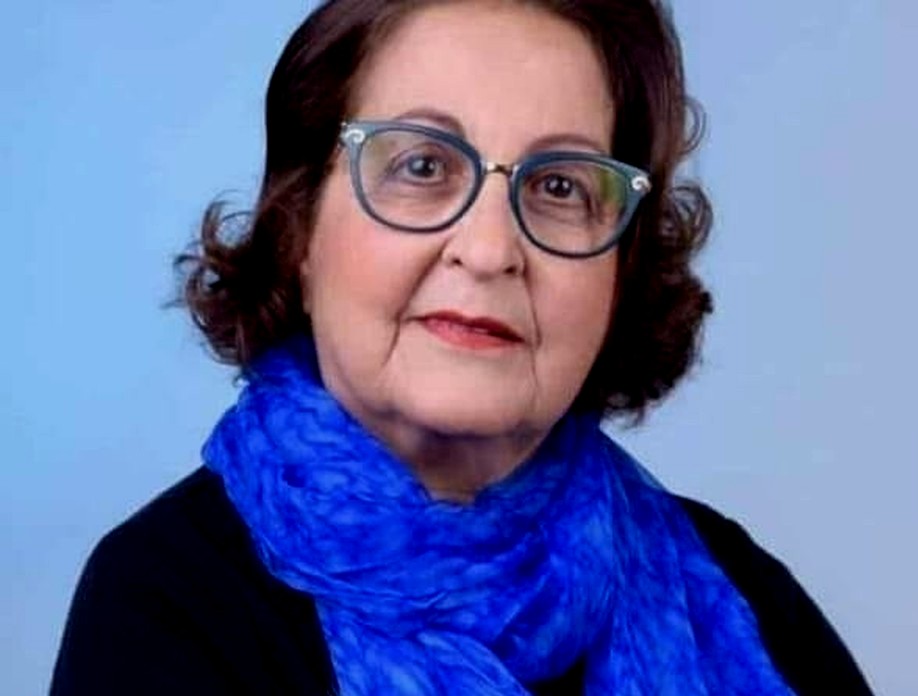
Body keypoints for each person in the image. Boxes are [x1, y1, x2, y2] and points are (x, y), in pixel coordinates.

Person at [51, 0, 874, 694]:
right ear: (299, 230)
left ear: (621, 271)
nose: (488, 250)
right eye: (421, 165)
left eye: (560, 186)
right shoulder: (167, 599)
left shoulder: (743, 594)